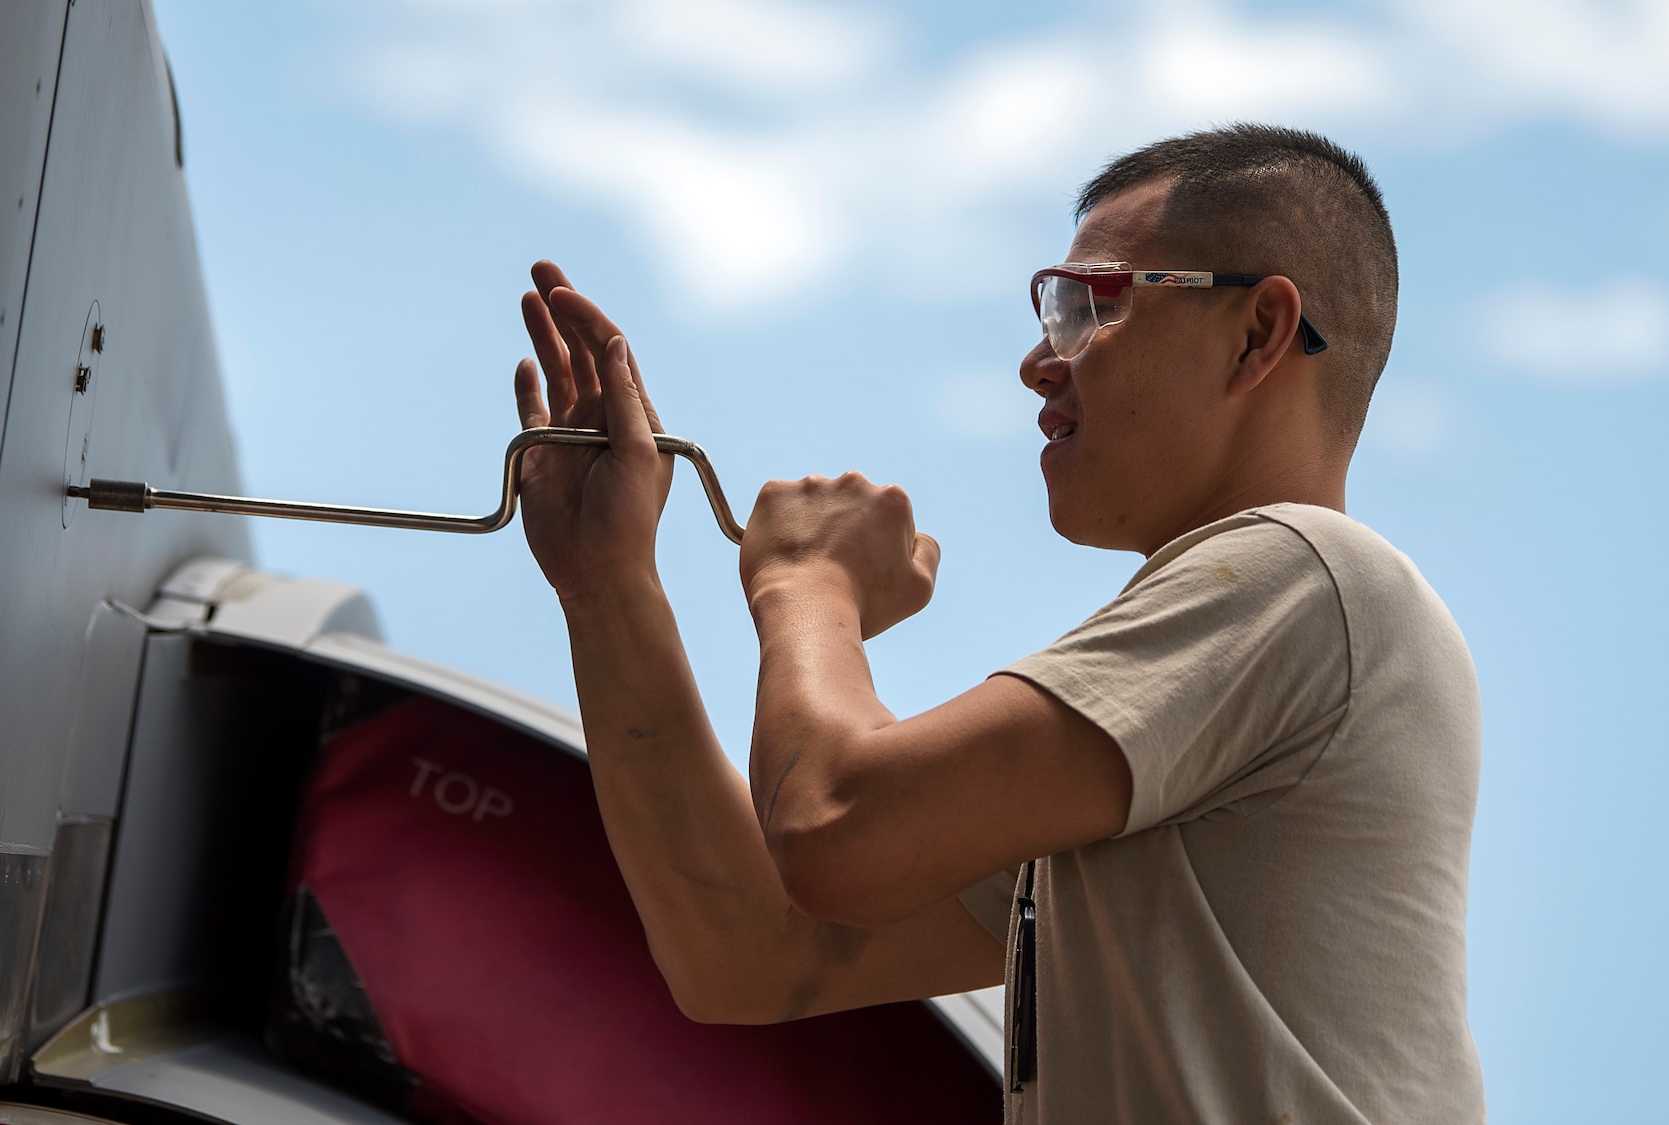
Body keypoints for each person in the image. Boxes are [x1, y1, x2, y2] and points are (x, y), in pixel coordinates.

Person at [510, 123, 1485, 1124]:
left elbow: (835, 831)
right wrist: (606, 584)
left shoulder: (1304, 572)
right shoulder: (1236, 666)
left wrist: (809, 586)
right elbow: (750, 953)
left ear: (1256, 333)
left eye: (1089, 305)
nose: (1038, 361)